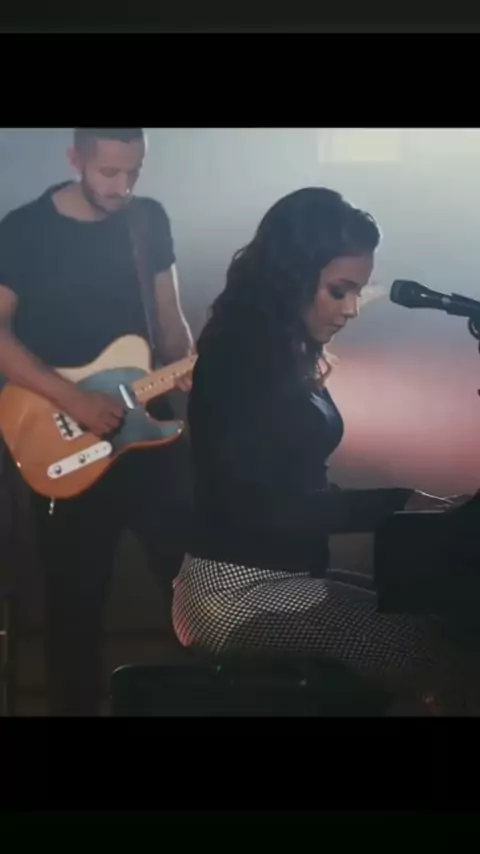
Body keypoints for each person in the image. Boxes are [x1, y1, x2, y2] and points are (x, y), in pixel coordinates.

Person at [172, 186, 479, 715]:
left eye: (356, 291)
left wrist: (417, 510)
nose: (352, 309)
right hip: (233, 591)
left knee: (437, 623)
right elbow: (268, 508)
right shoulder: (239, 360)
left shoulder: (281, 351)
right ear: (291, 275)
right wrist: (402, 503)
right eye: (340, 291)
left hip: (280, 577)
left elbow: (296, 486)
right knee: (434, 652)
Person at [0, 127, 194, 716]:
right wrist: (75, 400)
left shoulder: (148, 221)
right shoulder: (24, 230)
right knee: (73, 603)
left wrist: (188, 365)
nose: (122, 187)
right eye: (109, 173)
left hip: (152, 436)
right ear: (74, 159)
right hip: (64, 434)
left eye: (134, 172)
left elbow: (169, 321)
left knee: (193, 582)